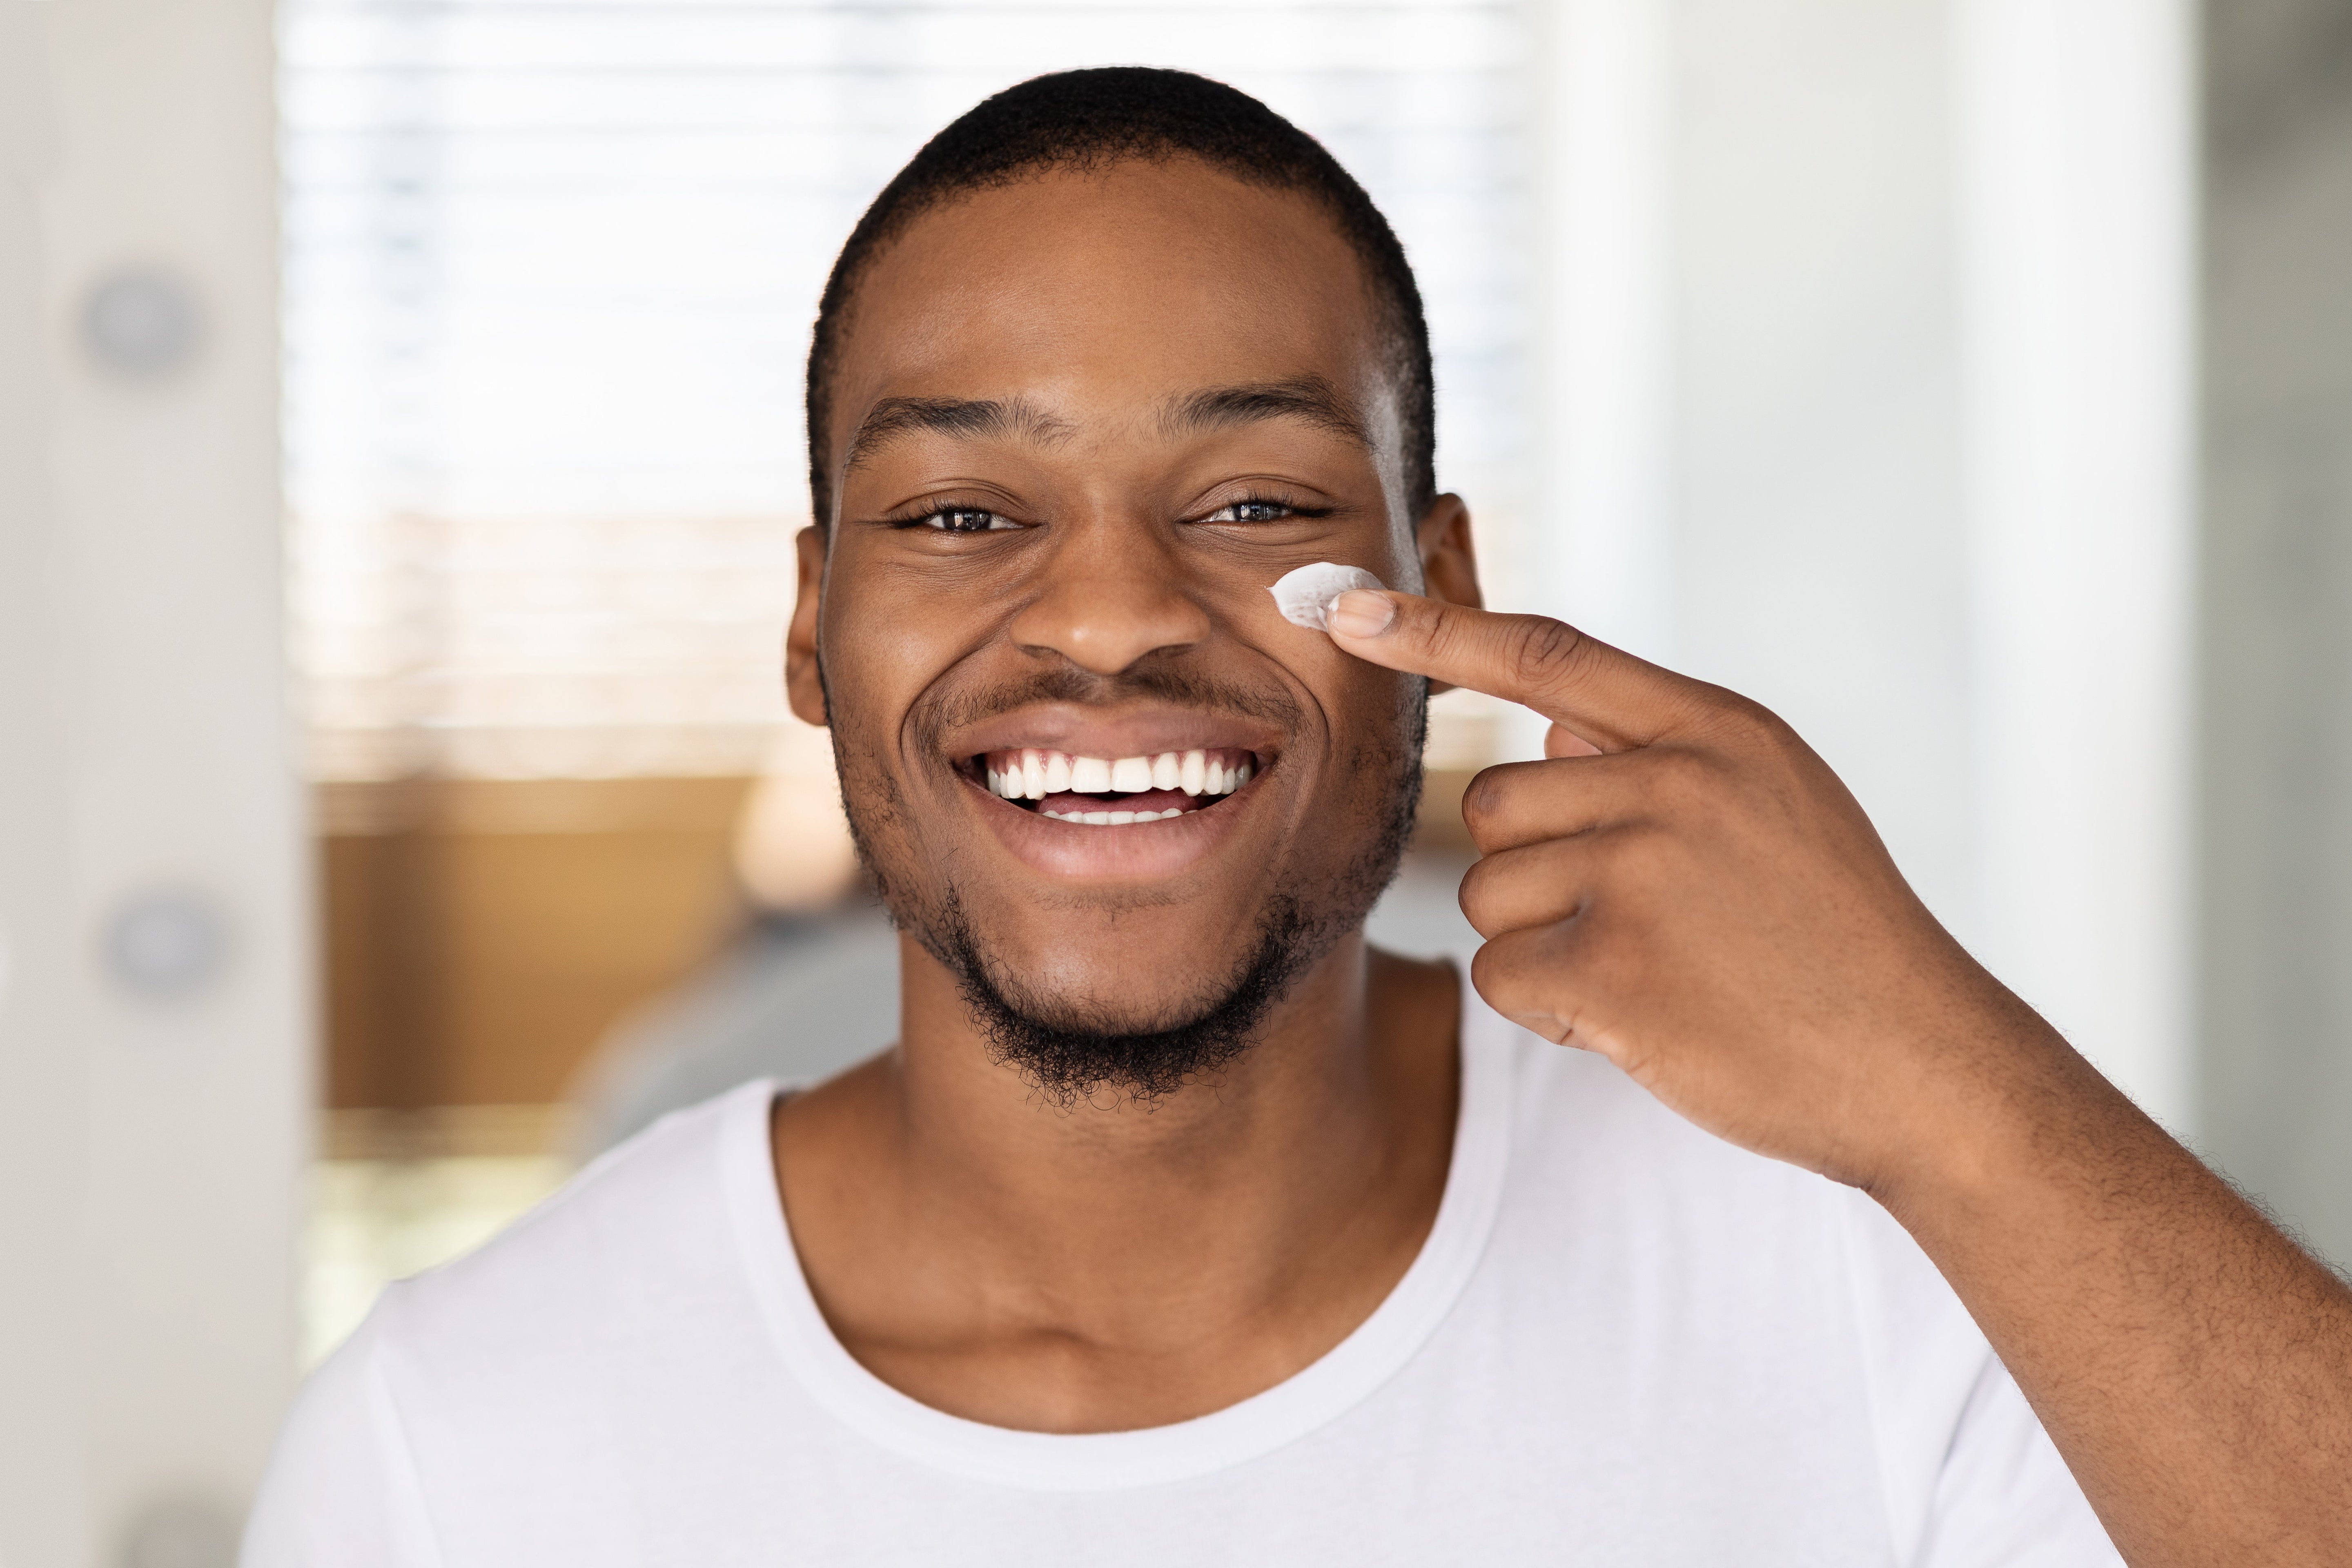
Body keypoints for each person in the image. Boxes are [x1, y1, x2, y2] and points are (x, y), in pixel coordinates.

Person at [245, 69, 2352, 1567]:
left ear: (1433, 595)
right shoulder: (463, 1448)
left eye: (1255, 506)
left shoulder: (1873, 1273)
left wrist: (1949, 1081)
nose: (1108, 615)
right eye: (962, 515)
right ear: (814, 630)